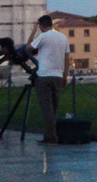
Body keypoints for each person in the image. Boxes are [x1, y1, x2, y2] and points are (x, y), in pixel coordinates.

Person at [26, 15, 70, 145]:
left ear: (41, 25)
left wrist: (33, 31)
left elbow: (28, 47)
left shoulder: (44, 36)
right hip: (57, 75)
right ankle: (52, 134)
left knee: (47, 108)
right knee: (54, 108)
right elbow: (67, 58)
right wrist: (65, 76)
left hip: (44, 75)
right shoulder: (63, 37)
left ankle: (51, 137)